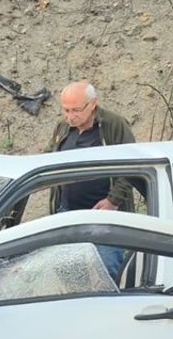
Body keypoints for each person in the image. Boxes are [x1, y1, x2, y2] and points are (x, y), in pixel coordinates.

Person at [46, 80, 137, 277]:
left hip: (105, 215)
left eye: (76, 110)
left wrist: (113, 201)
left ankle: (111, 306)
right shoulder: (62, 128)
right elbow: (49, 160)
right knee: (67, 270)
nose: (70, 116)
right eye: (66, 110)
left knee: (107, 270)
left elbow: (133, 166)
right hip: (68, 212)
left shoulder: (114, 125)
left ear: (93, 103)